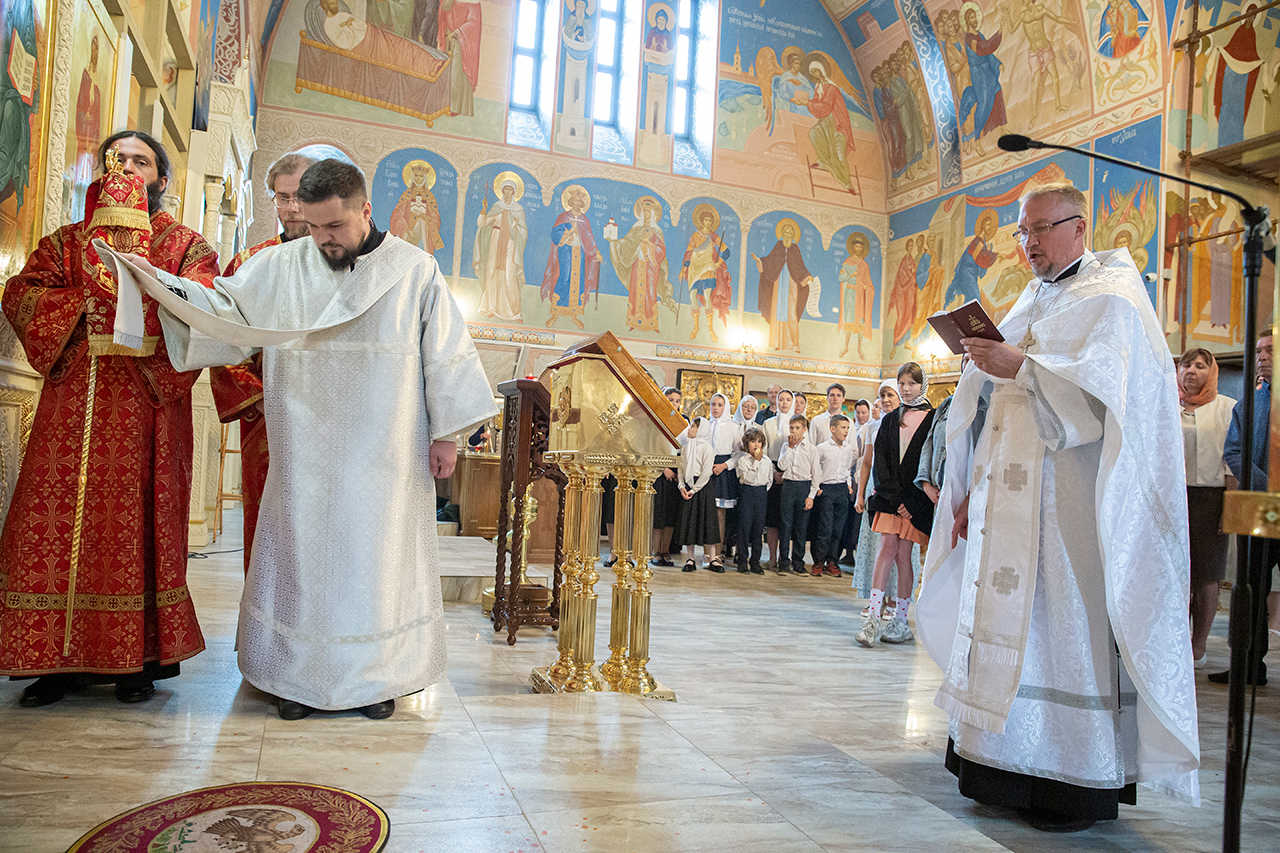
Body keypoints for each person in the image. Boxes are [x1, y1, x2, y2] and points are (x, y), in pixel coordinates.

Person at [123, 159, 497, 721]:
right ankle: (294, 680)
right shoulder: (282, 265)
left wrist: (447, 435)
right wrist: (159, 284)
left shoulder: (414, 270)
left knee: (375, 564)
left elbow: (444, 354)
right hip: (303, 444)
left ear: (365, 210)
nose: (323, 239)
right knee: (302, 558)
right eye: (314, 226)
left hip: (387, 448)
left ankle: (374, 680)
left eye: (335, 226)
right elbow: (225, 311)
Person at [917, 183, 1199, 829]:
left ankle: (1069, 783)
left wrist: (1019, 366)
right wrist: (974, 493)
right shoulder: (1033, 296)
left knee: (1063, 629)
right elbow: (999, 405)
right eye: (1022, 232)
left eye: (1041, 228)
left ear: (1079, 226)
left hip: (1069, 508)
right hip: (1007, 505)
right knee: (1010, 627)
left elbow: (1106, 402)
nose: (1029, 243)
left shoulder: (1114, 297)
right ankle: (996, 767)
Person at [0, 131, 219, 707]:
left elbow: (201, 308)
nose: (126, 168)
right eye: (115, 159)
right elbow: (22, 293)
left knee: (138, 527)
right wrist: (84, 306)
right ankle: (53, 662)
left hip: (148, 411)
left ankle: (137, 662)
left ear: (162, 179)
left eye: (140, 161)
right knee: (53, 529)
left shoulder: (186, 246)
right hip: (70, 409)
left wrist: (145, 292)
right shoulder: (65, 242)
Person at [211, 150, 319, 575]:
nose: (291, 208)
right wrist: (261, 398)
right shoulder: (249, 263)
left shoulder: (347, 262)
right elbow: (223, 337)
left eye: (300, 196)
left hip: (329, 417)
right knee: (267, 518)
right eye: (282, 197)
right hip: (267, 417)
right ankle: (263, 611)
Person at [856, 363, 934, 645]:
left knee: (904, 554)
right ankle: (873, 617)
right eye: (902, 384)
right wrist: (895, 498)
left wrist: (911, 501)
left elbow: (930, 461)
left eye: (912, 383)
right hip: (890, 498)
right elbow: (881, 462)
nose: (906, 389)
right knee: (885, 548)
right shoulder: (890, 420)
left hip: (914, 501)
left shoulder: (932, 418)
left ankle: (901, 619)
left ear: (922, 385)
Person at [1216, 330, 1274, 687]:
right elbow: (1234, 451)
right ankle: (1250, 665)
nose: (1262, 356)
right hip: (1258, 504)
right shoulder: (1248, 405)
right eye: (1258, 351)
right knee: (1251, 589)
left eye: (1270, 350)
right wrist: (1267, 486)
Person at [1177, 348, 1236, 667]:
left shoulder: (1227, 407)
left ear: (1211, 372)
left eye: (1200, 366)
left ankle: (1198, 646)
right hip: (1172, 497)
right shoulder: (1166, 403)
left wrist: (1230, 506)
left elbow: (1232, 459)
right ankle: (1173, 642)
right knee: (1175, 574)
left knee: (1206, 574)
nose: (1191, 371)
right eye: (1186, 365)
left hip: (1211, 498)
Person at [677, 392, 740, 571]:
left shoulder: (733, 427)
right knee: (696, 515)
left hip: (721, 469)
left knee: (717, 514)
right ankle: (702, 556)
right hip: (699, 473)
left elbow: (738, 453)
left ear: (725, 407)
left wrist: (725, 465)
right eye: (713, 404)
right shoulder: (705, 425)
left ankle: (716, 555)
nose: (715, 408)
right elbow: (683, 461)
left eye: (720, 405)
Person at [810, 414, 855, 578]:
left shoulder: (848, 449)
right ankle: (818, 561)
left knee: (838, 529)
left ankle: (832, 561)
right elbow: (816, 469)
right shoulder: (822, 448)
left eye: (847, 428)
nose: (846, 431)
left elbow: (847, 469)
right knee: (825, 527)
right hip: (826, 489)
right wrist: (817, 486)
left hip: (841, 489)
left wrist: (848, 484)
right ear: (833, 429)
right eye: (843, 428)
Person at [672, 418, 719, 572]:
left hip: (702, 487)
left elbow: (706, 472)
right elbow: (681, 468)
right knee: (689, 522)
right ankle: (690, 558)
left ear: (701, 430)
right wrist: (681, 486)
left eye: (693, 426)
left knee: (708, 521)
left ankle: (712, 558)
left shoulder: (707, 448)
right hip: (687, 486)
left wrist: (694, 489)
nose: (689, 429)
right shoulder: (686, 448)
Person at [777, 414, 816, 576]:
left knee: (801, 526)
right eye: (791, 428)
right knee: (785, 524)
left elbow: (816, 474)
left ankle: (798, 562)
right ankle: (783, 562)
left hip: (804, 486)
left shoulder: (812, 449)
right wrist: (790, 448)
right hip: (788, 485)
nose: (794, 431)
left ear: (804, 429)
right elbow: (781, 466)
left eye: (797, 428)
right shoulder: (786, 446)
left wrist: (811, 495)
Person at [651, 386, 685, 567]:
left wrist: (680, 471)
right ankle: (655, 551)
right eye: (671, 400)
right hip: (659, 470)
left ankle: (666, 551)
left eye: (677, 401)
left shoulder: (683, 421)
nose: (674, 404)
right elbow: (652, 445)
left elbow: (685, 448)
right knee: (658, 514)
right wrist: (664, 467)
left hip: (676, 469)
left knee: (670, 514)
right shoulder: (656, 419)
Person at [763, 389, 797, 570]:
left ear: (793, 402)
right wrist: (774, 472)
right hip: (772, 469)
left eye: (788, 399)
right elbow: (763, 451)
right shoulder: (768, 424)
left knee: (787, 520)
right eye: (781, 399)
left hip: (792, 474)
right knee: (772, 521)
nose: (784, 403)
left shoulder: (798, 423)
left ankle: (786, 558)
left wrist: (787, 473)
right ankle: (772, 558)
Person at [839, 398, 872, 566]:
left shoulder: (871, 429)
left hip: (862, 477)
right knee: (849, 518)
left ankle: (858, 554)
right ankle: (848, 552)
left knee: (858, 518)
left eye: (864, 412)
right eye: (858, 412)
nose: (860, 415)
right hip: (850, 476)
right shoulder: (853, 429)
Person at [735, 429, 771, 574]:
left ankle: (755, 561)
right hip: (747, 493)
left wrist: (762, 491)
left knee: (758, 529)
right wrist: (756, 462)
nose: (756, 445)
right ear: (746, 444)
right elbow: (748, 478)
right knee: (744, 528)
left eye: (759, 442)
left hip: (761, 493)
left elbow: (769, 480)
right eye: (753, 441)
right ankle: (742, 560)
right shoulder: (742, 461)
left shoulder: (767, 461)